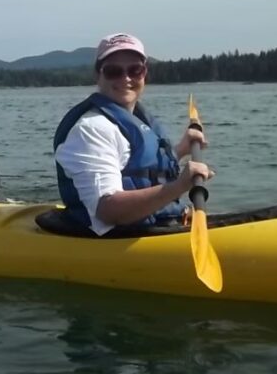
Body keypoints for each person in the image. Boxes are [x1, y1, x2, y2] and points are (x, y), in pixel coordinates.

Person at [53, 33, 212, 235]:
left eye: (135, 70)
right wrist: (179, 186)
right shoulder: (91, 129)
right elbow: (108, 210)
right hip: (116, 239)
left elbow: (139, 167)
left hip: (157, 224)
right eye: (113, 71)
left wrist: (180, 150)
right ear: (98, 75)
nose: (126, 78)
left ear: (144, 73)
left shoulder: (137, 119)